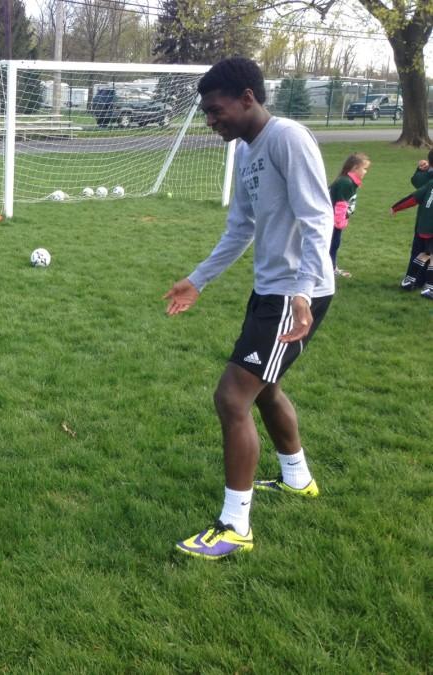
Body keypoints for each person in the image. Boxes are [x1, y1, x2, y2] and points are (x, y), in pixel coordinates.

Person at [163, 57, 335, 560]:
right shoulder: (245, 152)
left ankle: (235, 525)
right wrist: (198, 279)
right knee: (264, 387)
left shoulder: (287, 138)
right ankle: (298, 479)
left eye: (216, 111)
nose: (210, 120)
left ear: (247, 98)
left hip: (295, 291)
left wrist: (302, 292)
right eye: (206, 114)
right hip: (272, 290)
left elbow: (318, 218)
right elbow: (240, 228)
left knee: (231, 397)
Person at [390, 176, 433, 300]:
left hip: (423, 226)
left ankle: (408, 281)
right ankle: (430, 288)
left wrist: (396, 207)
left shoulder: (430, 183)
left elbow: (413, 198)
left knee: (425, 253)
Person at [329, 153, 371, 278]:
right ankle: (329, 270)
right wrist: (339, 223)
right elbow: (340, 205)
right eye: (364, 168)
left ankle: (331, 268)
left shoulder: (349, 181)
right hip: (331, 220)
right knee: (332, 243)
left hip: (334, 220)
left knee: (334, 243)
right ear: (354, 168)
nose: (365, 172)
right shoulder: (346, 182)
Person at [399, 151, 433, 290]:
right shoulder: (429, 176)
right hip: (426, 220)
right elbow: (417, 182)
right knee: (424, 251)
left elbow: (416, 181)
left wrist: (421, 169)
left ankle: (414, 279)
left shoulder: (428, 175)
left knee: (421, 250)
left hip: (424, 222)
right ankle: (423, 282)